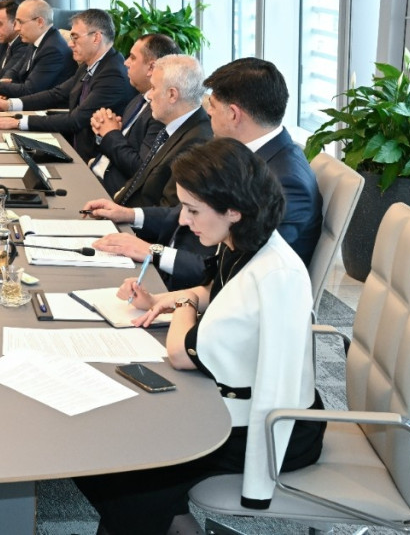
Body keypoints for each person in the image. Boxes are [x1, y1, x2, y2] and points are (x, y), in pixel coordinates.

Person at [74, 138, 323, 535]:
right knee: (107, 455)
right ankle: (174, 523)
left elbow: (180, 352)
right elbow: (213, 289)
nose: (185, 221)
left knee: (125, 470)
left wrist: (183, 304)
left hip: (275, 428)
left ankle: (168, 523)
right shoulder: (245, 240)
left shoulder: (275, 272)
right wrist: (162, 299)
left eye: (193, 210)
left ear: (233, 210)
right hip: (236, 401)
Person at [86, 58, 323, 289]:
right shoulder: (243, 151)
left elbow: (235, 269)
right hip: (174, 266)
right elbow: (183, 212)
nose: (207, 112)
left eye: (213, 106)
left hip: (196, 290)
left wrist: (152, 251)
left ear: (233, 114)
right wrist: (129, 214)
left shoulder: (286, 182)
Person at [0, 8, 136, 161]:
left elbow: (76, 120)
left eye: (75, 38)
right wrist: (9, 105)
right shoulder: (91, 64)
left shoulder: (112, 75)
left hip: (90, 160)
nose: (70, 44)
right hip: (74, 147)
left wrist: (18, 122)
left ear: (96, 37)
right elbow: (57, 94)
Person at [108, 54, 212, 208]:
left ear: (172, 95)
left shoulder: (197, 142)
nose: (149, 96)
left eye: (153, 88)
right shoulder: (173, 124)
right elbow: (141, 178)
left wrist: (125, 214)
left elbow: (170, 208)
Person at [88, 34, 180, 193]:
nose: (126, 62)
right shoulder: (138, 98)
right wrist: (102, 131)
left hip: (111, 192)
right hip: (95, 174)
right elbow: (118, 144)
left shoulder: (161, 113)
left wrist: (110, 133)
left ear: (151, 67)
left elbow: (140, 169)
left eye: (132, 58)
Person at [0, 0, 77, 97]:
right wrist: (5, 84)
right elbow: (14, 71)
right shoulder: (35, 40)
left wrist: (0, 87)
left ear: (40, 22)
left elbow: (30, 90)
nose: (16, 28)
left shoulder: (52, 49)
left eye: (20, 22)